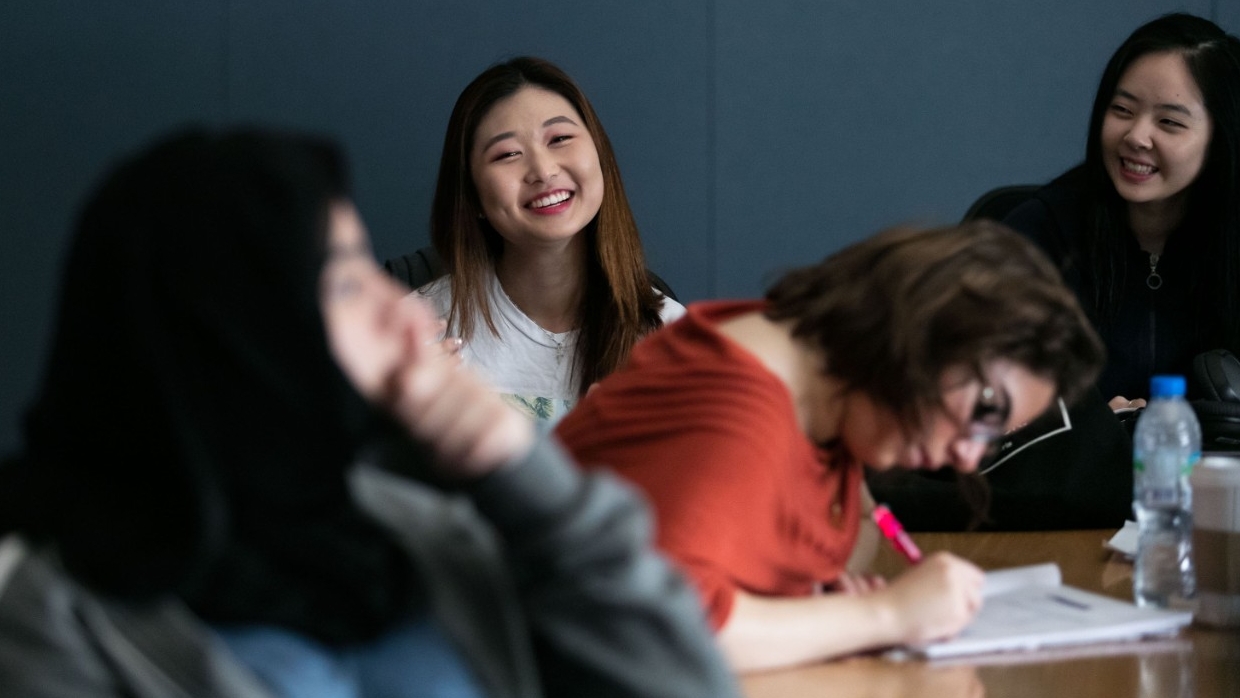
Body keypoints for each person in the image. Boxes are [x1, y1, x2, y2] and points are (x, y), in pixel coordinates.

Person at [0, 128, 739, 698]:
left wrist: (518, 472)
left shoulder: (416, 525)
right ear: (230, 329)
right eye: (344, 284)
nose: (403, 316)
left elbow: (680, 683)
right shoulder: (54, 607)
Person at [555, 222, 1105, 672]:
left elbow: (848, 522)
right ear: (927, 329)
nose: (970, 458)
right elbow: (670, 636)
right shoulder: (742, 412)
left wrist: (817, 603)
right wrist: (886, 614)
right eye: (986, 411)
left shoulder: (828, 389)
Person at [416, 57, 684, 422]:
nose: (543, 170)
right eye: (508, 154)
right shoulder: (416, 333)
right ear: (472, 195)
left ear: (600, 155)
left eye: (559, 139)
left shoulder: (672, 339)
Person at [1003, 12, 1240, 408]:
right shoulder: (1038, 234)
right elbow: (980, 395)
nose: (1136, 137)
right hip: (1072, 468)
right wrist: (1090, 432)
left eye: (1168, 122)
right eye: (1123, 111)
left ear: (1221, 138)